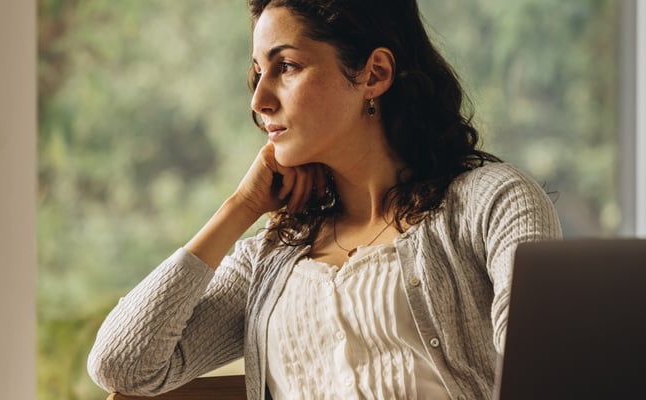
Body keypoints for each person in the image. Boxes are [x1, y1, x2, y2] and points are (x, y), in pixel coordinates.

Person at [87, 0, 562, 399]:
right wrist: (240, 208)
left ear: (374, 74)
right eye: (257, 72)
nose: (259, 99)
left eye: (286, 66)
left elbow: (545, 371)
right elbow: (122, 365)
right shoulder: (271, 257)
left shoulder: (492, 204)